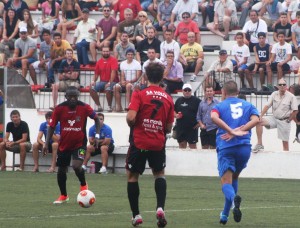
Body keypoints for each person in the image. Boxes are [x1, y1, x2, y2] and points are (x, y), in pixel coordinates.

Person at [126, 62, 174, 227]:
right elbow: (168, 127)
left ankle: (136, 215)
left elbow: (131, 118)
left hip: (139, 141)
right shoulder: (168, 98)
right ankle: (160, 207)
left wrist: (134, 122)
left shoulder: (139, 94)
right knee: (159, 174)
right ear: (162, 77)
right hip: (157, 143)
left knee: (133, 177)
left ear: (146, 76)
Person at [211, 80, 259, 225]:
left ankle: (234, 200)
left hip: (226, 147)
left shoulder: (219, 106)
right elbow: (257, 119)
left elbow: (213, 117)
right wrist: (242, 130)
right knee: (234, 178)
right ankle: (225, 214)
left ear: (223, 93)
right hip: (244, 147)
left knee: (226, 182)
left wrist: (231, 131)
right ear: (237, 92)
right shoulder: (248, 105)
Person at [42, 86, 101, 204]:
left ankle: (83, 184)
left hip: (80, 144)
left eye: (75, 97)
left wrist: (97, 136)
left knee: (76, 165)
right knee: (61, 170)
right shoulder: (59, 108)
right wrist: (46, 143)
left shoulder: (84, 107)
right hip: (64, 145)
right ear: (66, 97)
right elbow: (52, 126)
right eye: (70, 97)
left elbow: (97, 119)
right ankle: (64, 195)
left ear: (78, 97)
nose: (73, 99)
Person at [252, 78, 298, 152]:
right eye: (280, 84)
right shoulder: (274, 94)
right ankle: (259, 144)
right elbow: (267, 106)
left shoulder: (291, 96)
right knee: (258, 121)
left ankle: (286, 160)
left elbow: (295, 110)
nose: (282, 86)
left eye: (284, 84)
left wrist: (289, 120)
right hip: (274, 118)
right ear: (278, 86)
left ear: (286, 86)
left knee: (285, 144)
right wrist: (260, 116)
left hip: (285, 120)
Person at [90, 46, 118, 112]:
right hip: (102, 82)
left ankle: (109, 107)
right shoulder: (99, 62)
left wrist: (109, 82)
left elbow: (113, 72)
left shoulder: (113, 60)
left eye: (107, 51)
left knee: (107, 88)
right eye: (104, 51)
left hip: (113, 81)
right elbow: (96, 74)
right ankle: (99, 106)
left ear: (109, 52)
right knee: (91, 88)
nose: (106, 53)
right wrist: (93, 81)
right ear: (102, 52)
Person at [174, 83, 201, 149]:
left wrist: (199, 123)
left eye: (189, 90)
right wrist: (176, 115)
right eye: (185, 90)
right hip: (181, 127)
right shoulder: (178, 100)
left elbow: (203, 111)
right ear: (182, 91)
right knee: (182, 145)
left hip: (192, 128)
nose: (187, 92)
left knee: (193, 146)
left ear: (191, 91)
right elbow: (173, 110)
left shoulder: (197, 100)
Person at [196, 85, 219, 149]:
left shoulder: (217, 103)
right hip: (204, 129)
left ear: (213, 92)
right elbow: (198, 116)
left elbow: (220, 116)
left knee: (213, 148)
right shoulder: (201, 103)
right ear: (205, 92)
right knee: (204, 148)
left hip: (213, 129)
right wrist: (201, 124)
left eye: (210, 91)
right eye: (207, 91)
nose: (209, 92)